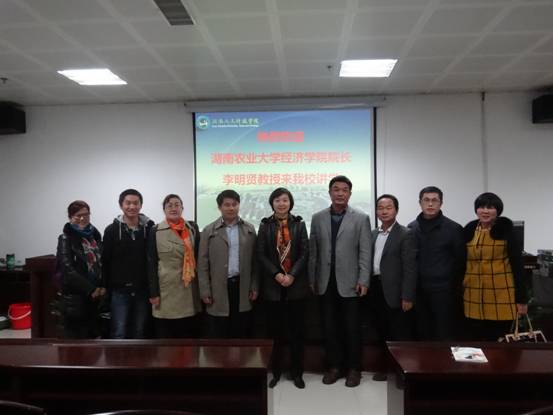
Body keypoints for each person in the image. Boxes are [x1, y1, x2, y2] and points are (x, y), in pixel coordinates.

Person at [309, 175, 372, 388]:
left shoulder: (361, 218)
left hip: (351, 283)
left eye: (344, 190)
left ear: (350, 194)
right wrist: (312, 278)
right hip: (325, 282)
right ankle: (334, 367)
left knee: (352, 328)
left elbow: (365, 252)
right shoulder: (317, 218)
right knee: (329, 327)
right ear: (329, 193)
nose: (340, 193)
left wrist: (364, 280)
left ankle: (354, 369)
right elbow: (314, 252)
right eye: (336, 189)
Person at [257, 187, 309, 389]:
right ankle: (276, 371)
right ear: (272, 203)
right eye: (277, 200)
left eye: (285, 200)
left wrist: (292, 274)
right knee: (275, 333)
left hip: (296, 286)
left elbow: (305, 253)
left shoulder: (299, 224)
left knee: (297, 333)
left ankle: (297, 372)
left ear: (290, 203)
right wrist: (276, 274)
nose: (281, 204)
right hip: (273, 286)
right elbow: (261, 254)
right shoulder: (265, 225)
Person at [463, 192, 528, 341]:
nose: (485, 211)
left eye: (490, 207)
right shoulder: (469, 230)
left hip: (501, 294)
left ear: (498, 210)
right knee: (475, 341)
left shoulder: (506, 230)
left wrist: (522, 300)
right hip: (473, 294)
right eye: (481, 207)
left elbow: (518, 267)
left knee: (499, 341)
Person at [198, 189, 258, 338]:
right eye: (227, 205)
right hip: (218, 288)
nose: (231, 208)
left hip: (242, 286)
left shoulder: (249, 229)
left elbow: (255, 262)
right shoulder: (209, 230)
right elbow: (202, 264)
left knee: (240, 330)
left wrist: (254, 286)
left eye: (234, 204)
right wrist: (205, 290)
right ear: (220, 207)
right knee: (219, 331)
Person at [369, 194, 417, 381]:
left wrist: (408, 296)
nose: (384, 211)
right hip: (375, 288)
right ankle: (385, 368)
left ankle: (401, 373)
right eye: (380, 208)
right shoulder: (373, 234)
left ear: (396, 210)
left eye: (388, 207)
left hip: (396, 292)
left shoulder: (405, 233)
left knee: (398, 334)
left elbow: (410, 268)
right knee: (381, 331)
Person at [408, 186, 465, 341]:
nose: (430, 204)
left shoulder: (454, 229)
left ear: (441, 203)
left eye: (435, 200)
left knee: (444, 334)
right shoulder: (411, 229)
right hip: (419, 291)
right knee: (422, 333)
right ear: (420, 203)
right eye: (426, 200)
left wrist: (455, 288)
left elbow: (461, 262)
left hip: (444, 292)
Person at [103, 189, 155, 339]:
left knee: (140, 331)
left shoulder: (150, 228)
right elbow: (105, 260)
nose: (132, 206)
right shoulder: (111, 230)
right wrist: (105, 286)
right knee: (119, 331)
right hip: (119, 291)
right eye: (128, 203)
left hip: (143, 290)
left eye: (136, 203)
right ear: (121, 205)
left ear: (141, 205)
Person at [147, 194, 201, 338]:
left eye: (177, 205)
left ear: (182, 208)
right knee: (166, 334)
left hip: (189, 288)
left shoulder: (192, 228)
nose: (173, 208)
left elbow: (198, 258)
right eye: (169, 205)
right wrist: (153, 293)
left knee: (187, 333)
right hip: (166, 289)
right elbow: (151, 263)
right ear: (164, 209)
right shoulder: (156, 230)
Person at [57, 200, 106, 338]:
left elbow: (100, 263)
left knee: (93, 335)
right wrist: (90, 289)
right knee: (76, 338)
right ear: (70, 217)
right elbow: (67, 269)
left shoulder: (94, 236)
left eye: (86, 214)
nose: (83, 218)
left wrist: (101, 286)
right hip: (76, 296)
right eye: (78, 215)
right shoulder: (66, 238)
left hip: (95, 295)